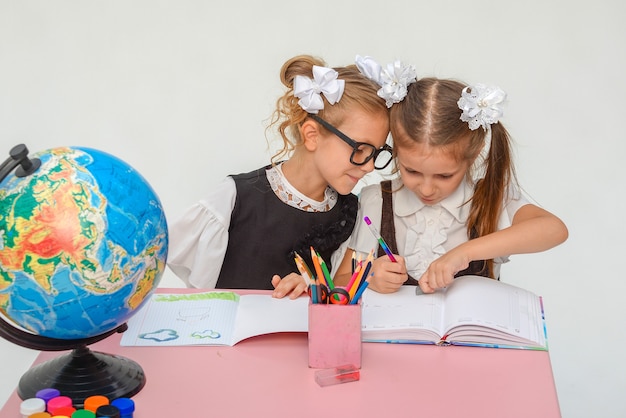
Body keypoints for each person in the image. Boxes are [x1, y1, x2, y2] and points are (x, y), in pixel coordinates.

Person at [334, 57, 568, 294]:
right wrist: (369, 276)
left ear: (474, 154)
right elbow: (338, 279)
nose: (426, 189)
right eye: (412, 171)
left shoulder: (490, 199)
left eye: (444, 176)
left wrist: (463, 253)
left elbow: (553, 229)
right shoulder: (378, 201)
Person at [167, 54, 391, 298]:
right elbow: (196, 297)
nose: (369, 167)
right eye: (360, 150)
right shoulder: (236, 198)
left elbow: (339, 295)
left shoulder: (351, 214)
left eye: (377, 153)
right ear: (312, 135)